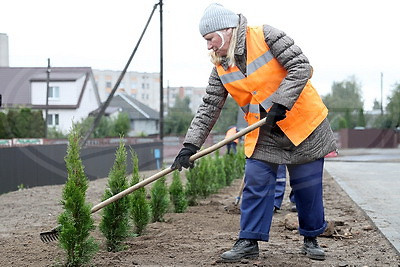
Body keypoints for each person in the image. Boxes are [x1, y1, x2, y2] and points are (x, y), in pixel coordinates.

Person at [171, 3, 337, 262]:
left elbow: (301, 65)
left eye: (210, 39)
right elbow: (210, 106)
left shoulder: (266, 35)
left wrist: (281, 102)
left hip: (304, 126)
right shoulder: (220, 67)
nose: (208, 46)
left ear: (226, 31)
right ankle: (248, 240)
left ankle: (311, 238)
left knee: (307, 187)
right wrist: (190, 146)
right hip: (264, 131)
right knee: (256, 183)